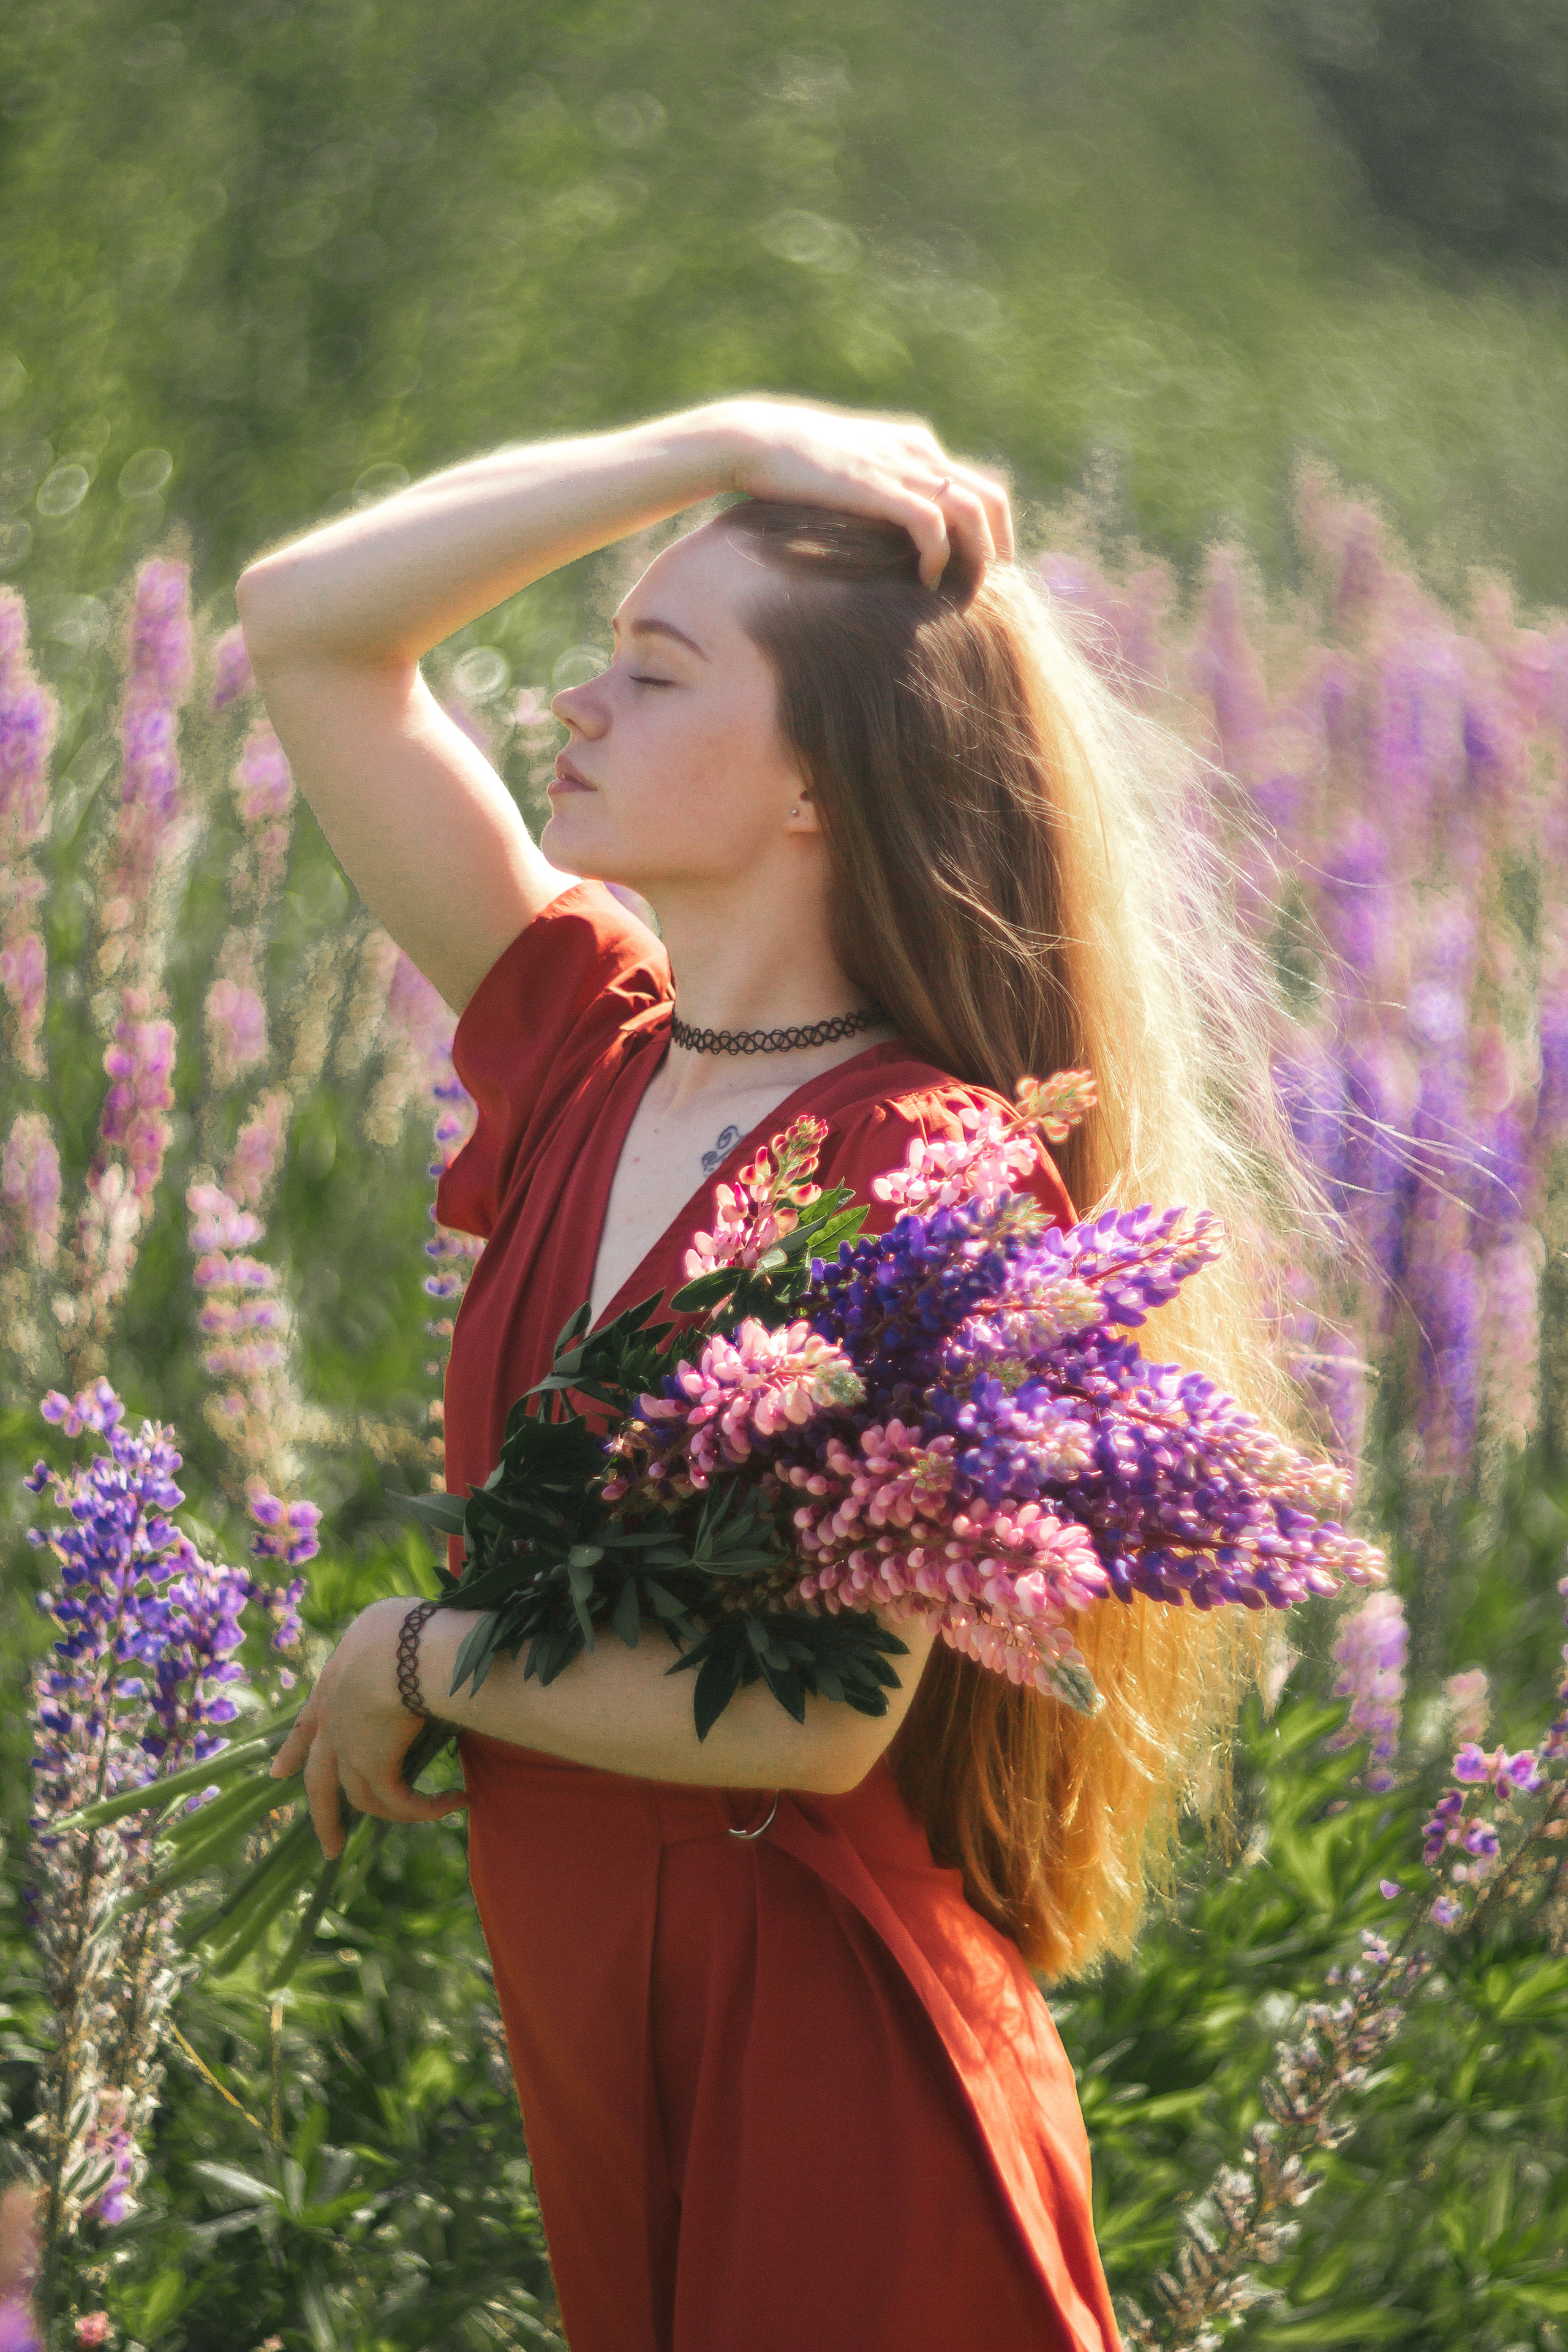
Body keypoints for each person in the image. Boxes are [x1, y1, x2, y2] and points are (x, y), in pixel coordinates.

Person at [240, 398, 1321, 2352]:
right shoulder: (584, 1046)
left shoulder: (935, 1177)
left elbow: (817, 1720)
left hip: (818, 2066)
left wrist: (406, 1654)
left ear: (824, 776)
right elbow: (310, 625)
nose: (572, 703)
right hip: (606, 2033)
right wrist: (710, 437)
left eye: (653, 671)